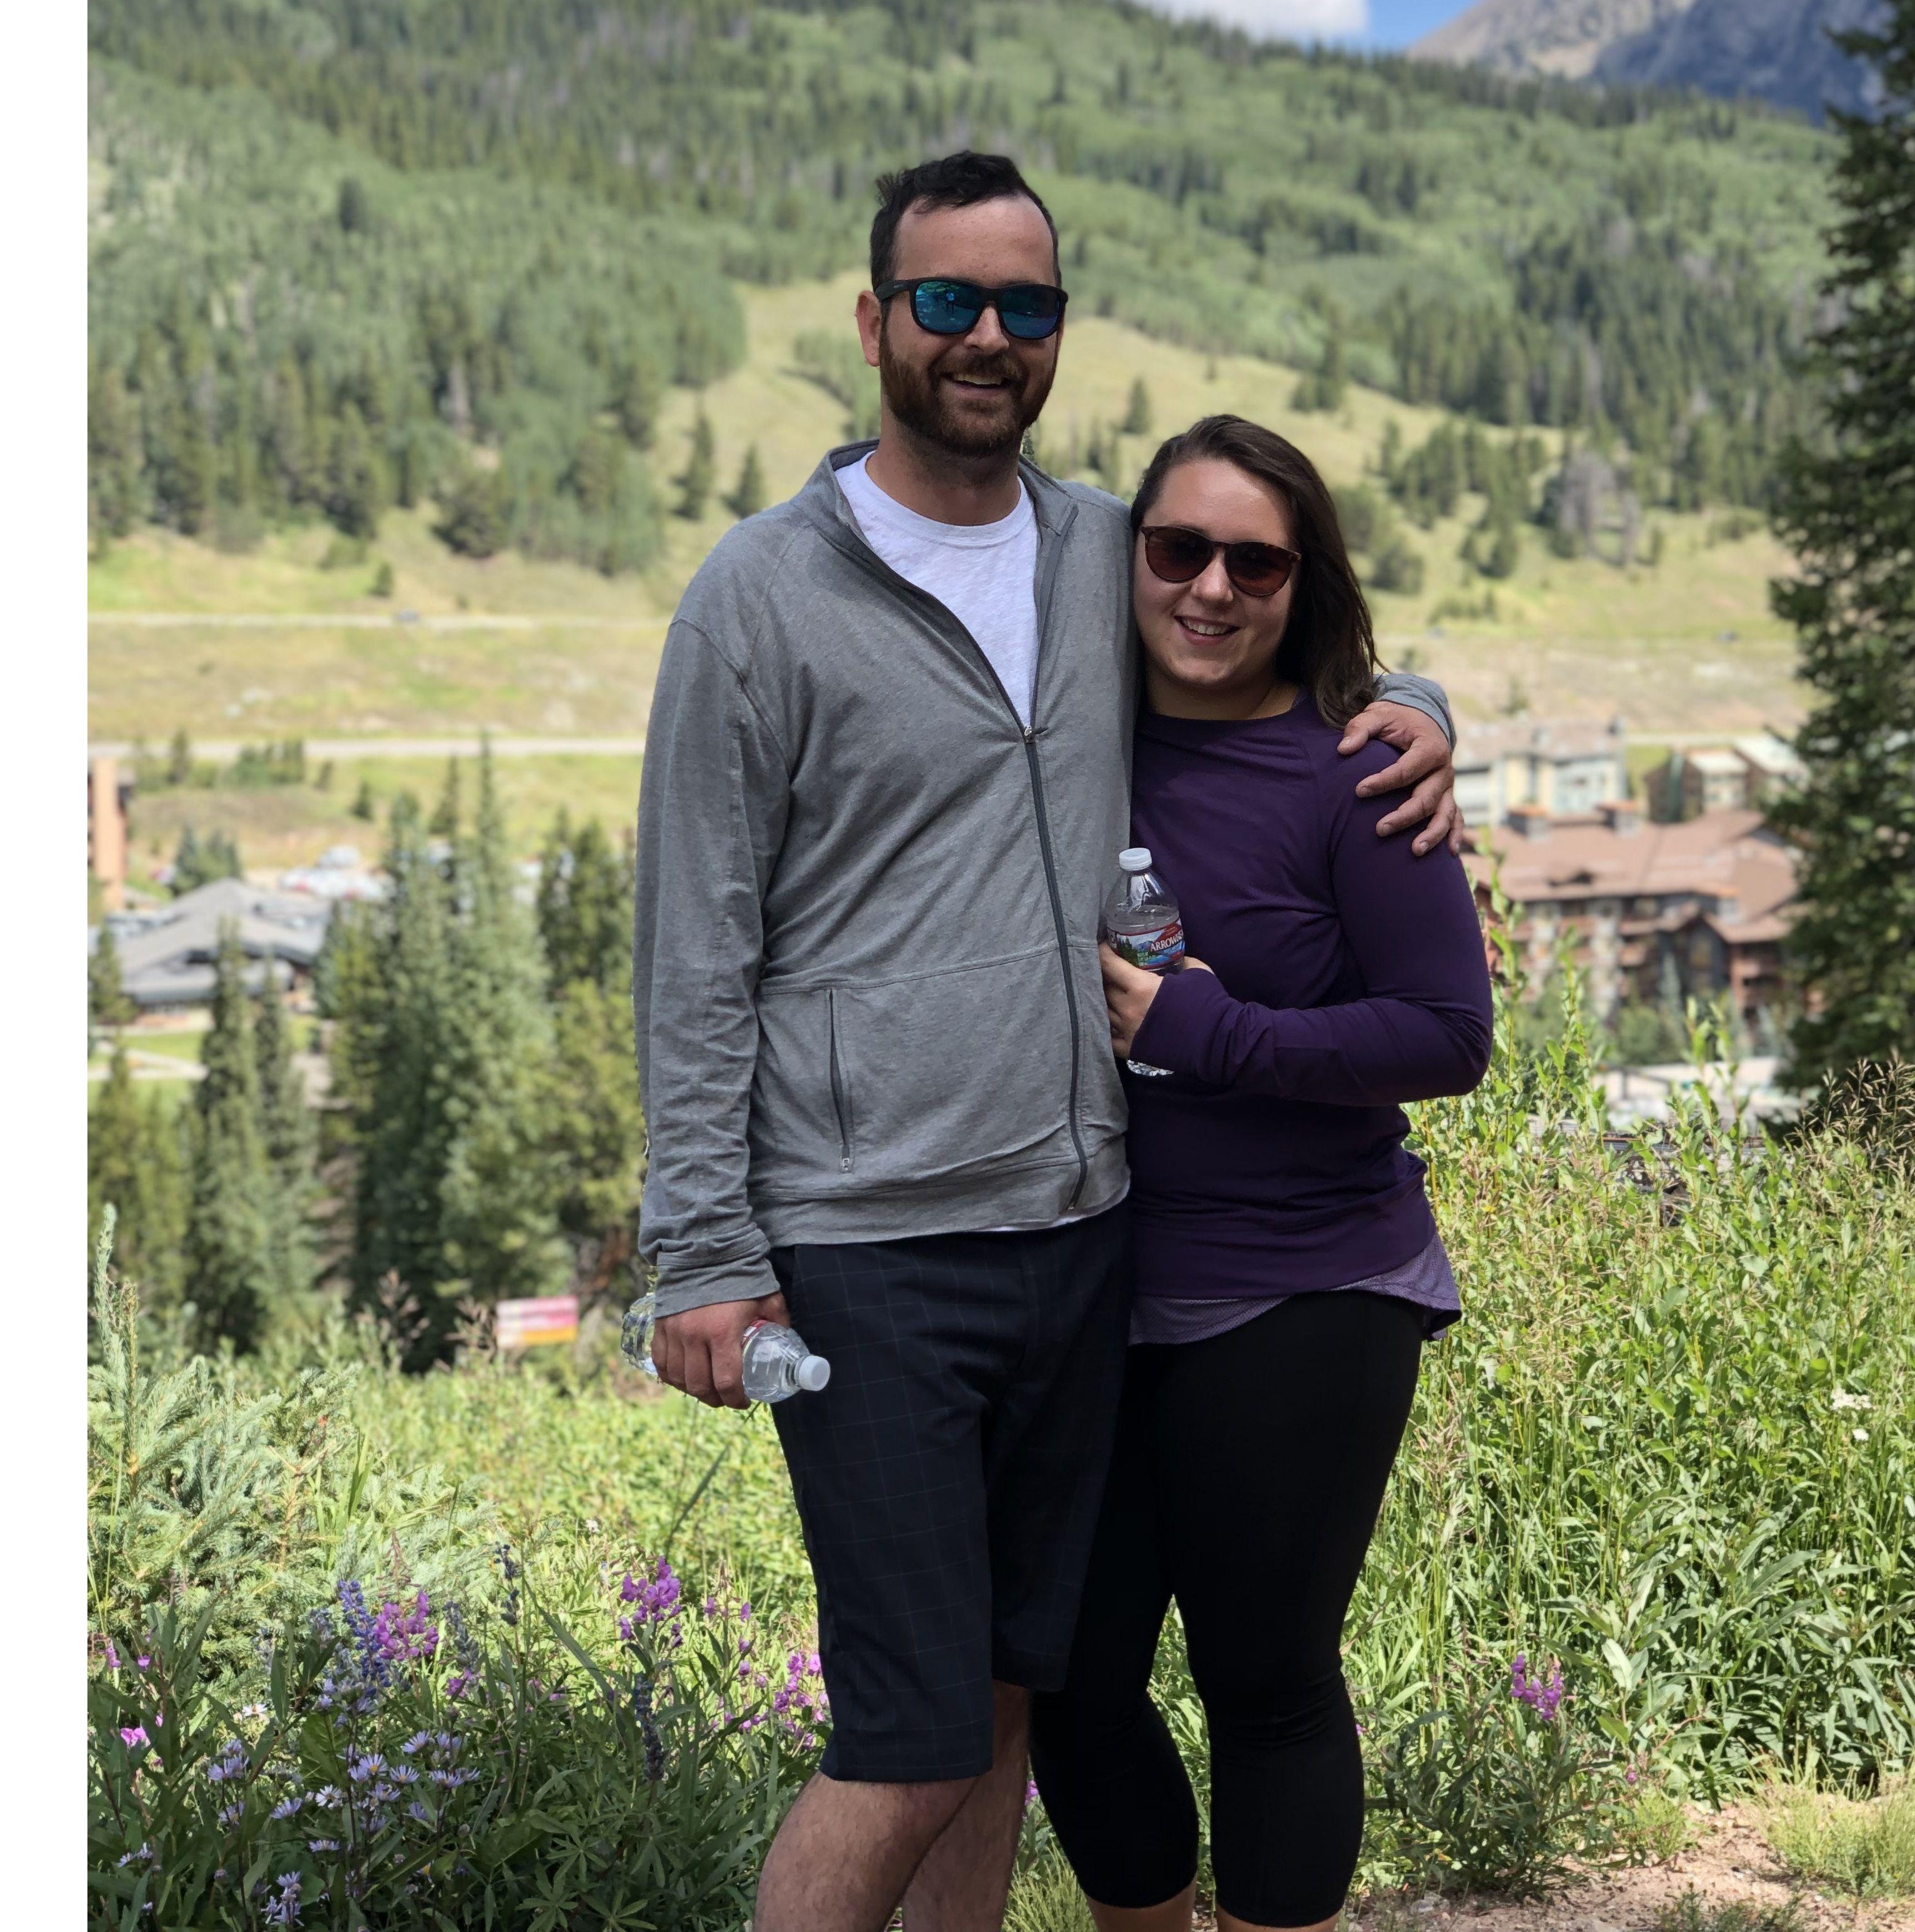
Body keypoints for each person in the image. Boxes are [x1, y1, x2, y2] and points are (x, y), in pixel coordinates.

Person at [632, 152, 1463, 1932]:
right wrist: (701, 1251)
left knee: (1015, 1709)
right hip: (869, 1243)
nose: (988, 336)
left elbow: (1274, 620)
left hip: (1083, 1231)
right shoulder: (762, 597)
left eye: (1028, 305)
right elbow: (696, 946)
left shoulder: (1106, 551)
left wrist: (1416, 708)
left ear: (1063, 335)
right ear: (874, 324)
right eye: (948, 301)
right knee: (915, 1738)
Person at [1026, 415, 1496, 1932]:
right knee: (1076, 1679)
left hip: (1307, 1282)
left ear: (1305, 585)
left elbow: (1447, 1033)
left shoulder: (1358, 773)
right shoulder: (1063, 741)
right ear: (1126, 562)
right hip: (1096, 1283)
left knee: (1266, 1681)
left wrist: (1209, 1028)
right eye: (1178, 549)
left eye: (1257, 560)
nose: (1213, 587)